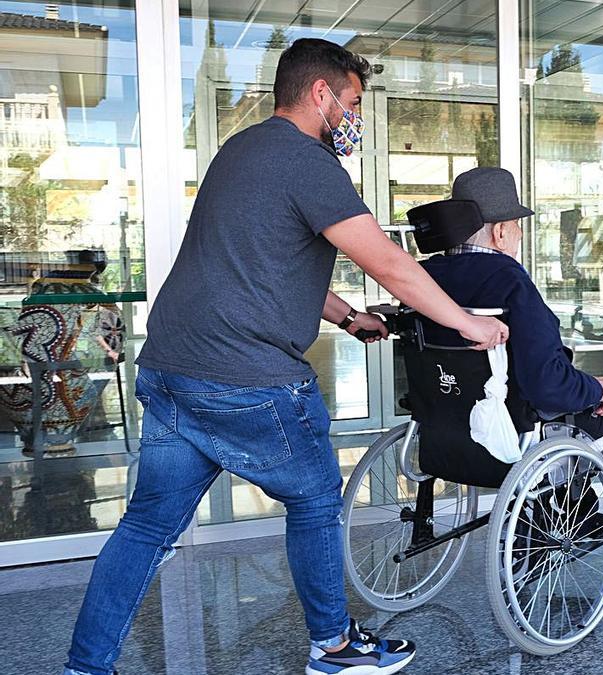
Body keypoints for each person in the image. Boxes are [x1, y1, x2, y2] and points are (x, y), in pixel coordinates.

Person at [62, 38, 508, 675]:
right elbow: (388, 263)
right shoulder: (309, 163)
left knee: (146, 526)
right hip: (242, 374)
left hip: (170, 369)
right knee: (319, 497)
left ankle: (86, 666)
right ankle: (333, 647)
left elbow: (264, 265)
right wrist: (467, 323)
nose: (355, 116)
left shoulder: (239, 151)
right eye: (353, 102)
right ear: (322, 95)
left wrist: (349, 317)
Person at [418, 167, 603, 538]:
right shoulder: (509, 280)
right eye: (518, 226)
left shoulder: (424, 279)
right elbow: (547, 386)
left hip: (444, 432)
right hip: (510, 433)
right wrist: (598, 387)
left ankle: (576, 509)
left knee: (575, 407)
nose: (520, 234)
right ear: (501, 231)